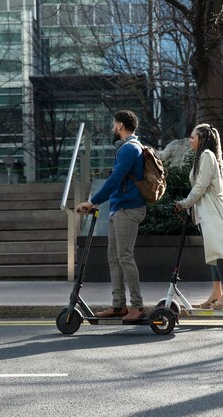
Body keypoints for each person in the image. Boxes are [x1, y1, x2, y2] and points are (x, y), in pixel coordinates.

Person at [75, 110, 147, 321]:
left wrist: (92, 201)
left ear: (121, 126)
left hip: (128, 209)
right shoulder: (127, 148)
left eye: (114, 124)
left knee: (124, 257)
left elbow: (115, 180)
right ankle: (118, 306)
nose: (112, 128)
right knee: (114, 258)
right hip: (119, 208)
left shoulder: (130, 148)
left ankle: (137, 306)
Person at [175, 123, 223, 309]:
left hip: (213, 211)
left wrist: (185, 203)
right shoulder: (202, 157)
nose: (190, 140)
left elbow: (200, 186)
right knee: (214, 253)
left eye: (193, 137)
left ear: (202, 139)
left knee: (219, 252)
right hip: (206, 212)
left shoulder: (207, 156)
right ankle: (217, 293)